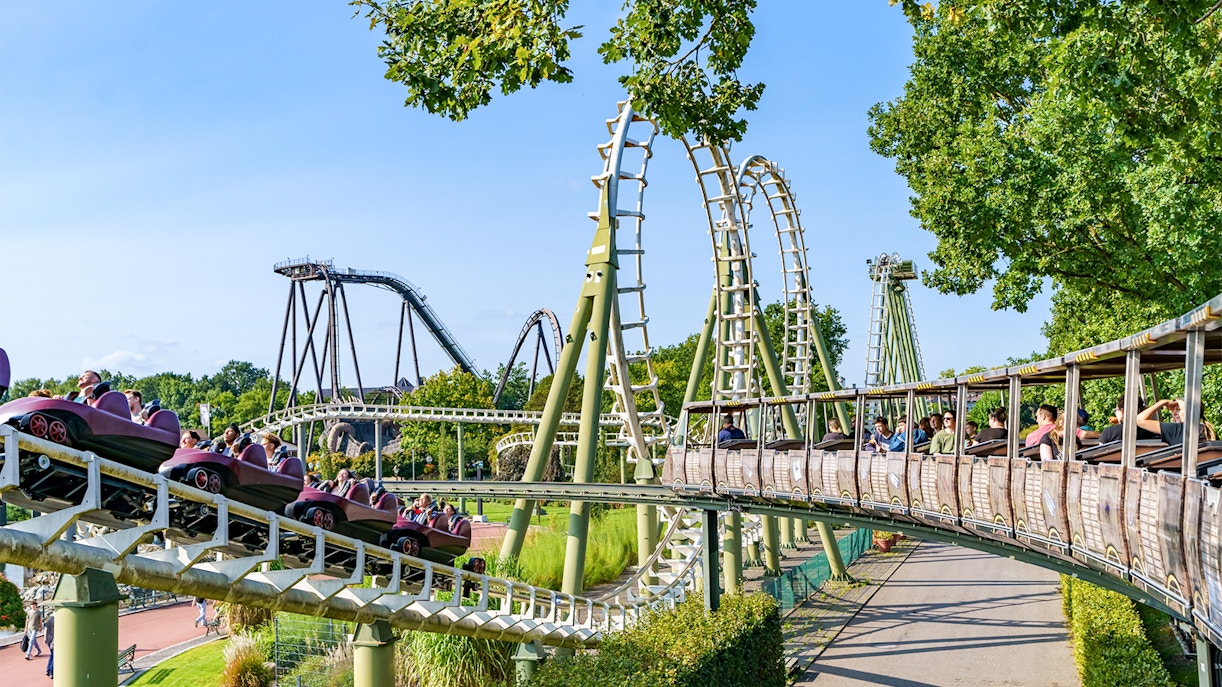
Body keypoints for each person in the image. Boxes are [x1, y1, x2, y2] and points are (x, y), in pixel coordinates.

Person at [1135, 398, 1218, 446]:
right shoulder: (1207, 430)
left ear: (1189, 412)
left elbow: (1139, 420)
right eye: (1173, 410)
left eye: (1178, 409)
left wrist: (1162, 402)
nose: (1174, 413)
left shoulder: (1177, 430)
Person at [43, 609, 54, 678]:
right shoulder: (56, 620)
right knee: (54, 656)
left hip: (49, 640)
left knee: (52, 655)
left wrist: (45, 638)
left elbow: (46, 629)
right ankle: (51, 672)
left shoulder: (49, 620)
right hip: (53, 640)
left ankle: (48, 670)